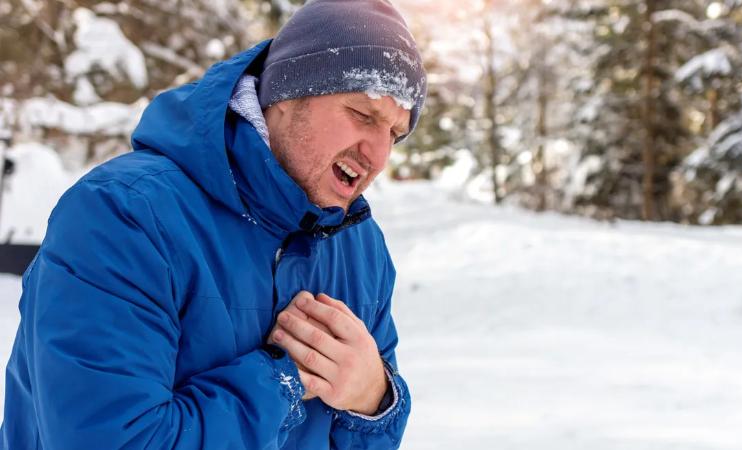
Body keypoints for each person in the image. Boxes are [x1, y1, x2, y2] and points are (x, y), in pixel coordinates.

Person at [1, 0, 426, 448]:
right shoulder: (123, 217)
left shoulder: (358, 244)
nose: (378, 157)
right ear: (287, 94)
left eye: (395, 135)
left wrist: (374, 398)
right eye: (363, 115)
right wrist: (283, 381)